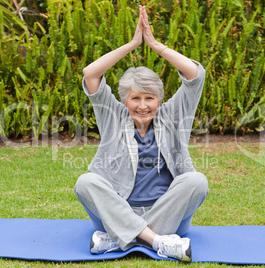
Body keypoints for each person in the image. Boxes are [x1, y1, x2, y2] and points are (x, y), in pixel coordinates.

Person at [74, 5, 208, 262]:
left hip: (166, 214)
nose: (143, 105)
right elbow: (90, 74)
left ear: (160, 99)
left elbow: (195, 75)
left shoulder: (173, 115)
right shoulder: (113, 116)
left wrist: (156, 45)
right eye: (136, 98)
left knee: (197, 181)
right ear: (125, 100)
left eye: (150, 98)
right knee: (86, 182)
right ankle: (158, 242)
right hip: (121, 209)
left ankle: (117, 239)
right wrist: (133, 44)